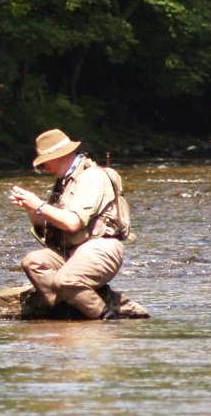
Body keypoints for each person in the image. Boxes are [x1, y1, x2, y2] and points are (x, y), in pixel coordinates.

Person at [7, 128, 125, 320]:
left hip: (100, 247)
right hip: (71, 250)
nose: (45, 169)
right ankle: (66, 308)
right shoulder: (64, 181)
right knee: (33, 262)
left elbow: (72, 223)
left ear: (59, 157)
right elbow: (47, 224)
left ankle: (105, 318)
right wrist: (30, 208)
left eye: (45, 163)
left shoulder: (91, 177)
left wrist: (39, 204)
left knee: (66, 280)